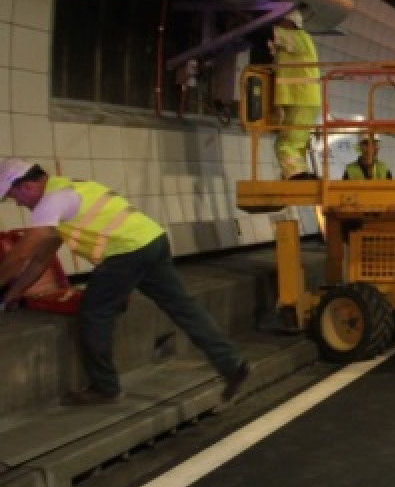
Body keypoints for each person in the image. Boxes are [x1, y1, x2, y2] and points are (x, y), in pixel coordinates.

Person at [0, 158, 249, 406]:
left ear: (26, 187)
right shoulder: (70, 189)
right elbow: (41, 258)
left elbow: (21, 253)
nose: (19, 204)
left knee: (94, 312)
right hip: (152, 241)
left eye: (14, 198)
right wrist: (15, 291)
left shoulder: (51, 201)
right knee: (182, 307)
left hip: (125, 253)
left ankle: (105, 387)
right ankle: (231, 364)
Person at [270, 5, 320, 179]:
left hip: (300, 98)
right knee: (297, 143)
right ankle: (301, 174)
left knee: (284, 144)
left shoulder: (298, 38)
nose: (278, 25)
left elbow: (269, 34)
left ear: (289, 23)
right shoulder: (301, 41)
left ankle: (295, 176)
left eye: (280, 21)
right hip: (304, 98)